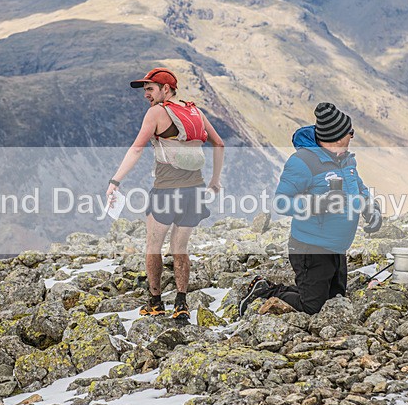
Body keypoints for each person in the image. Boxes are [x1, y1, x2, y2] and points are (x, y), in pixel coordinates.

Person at [239, 102, 382, 317]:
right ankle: (265, 291)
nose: (352, 137)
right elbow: (280, 203)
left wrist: (372, 209)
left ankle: (299, 291)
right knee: (312, 307)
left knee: (335, 300)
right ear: (337, 135)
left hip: (336, 248)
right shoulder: (303, 162)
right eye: (349, 132)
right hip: (311, 247)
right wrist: (316, 204)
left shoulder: (345, 160)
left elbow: (359, 189)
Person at [106, 67, 224, 321]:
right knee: (180, 248)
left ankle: (156, 302)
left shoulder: (157, 113)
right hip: (195, 190)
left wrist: (115, 181)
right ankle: (181, 304)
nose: (146, 94)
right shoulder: (195, 112)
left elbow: (137, 149)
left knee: (153, 246)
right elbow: (219, 143)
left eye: (150, 89)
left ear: (166, 89)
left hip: (166, 191)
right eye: (145, 90)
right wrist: (215, 180)